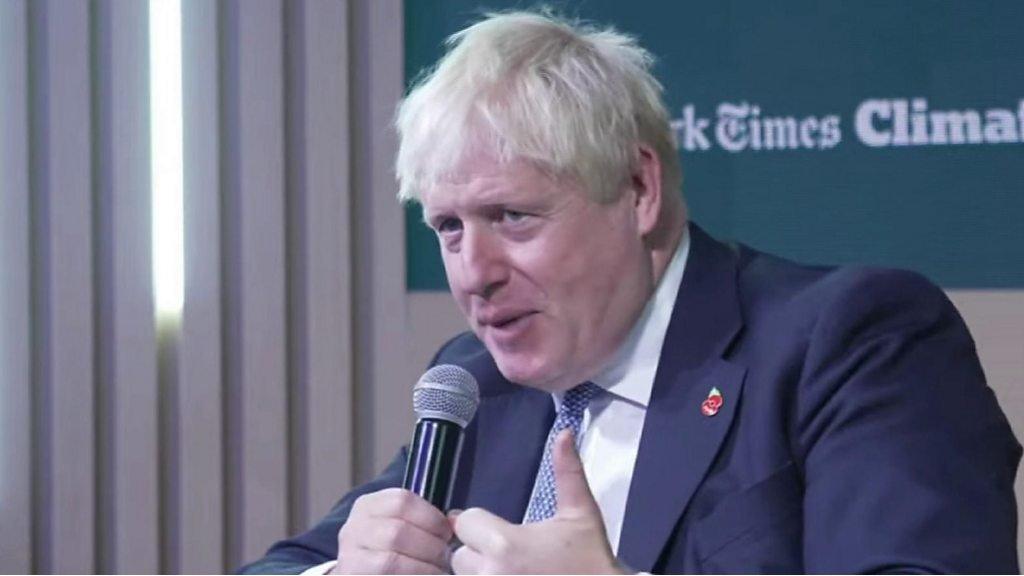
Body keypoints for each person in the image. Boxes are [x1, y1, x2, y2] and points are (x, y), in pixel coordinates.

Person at [241, 10, 1020, 574]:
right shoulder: (478, 386)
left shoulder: (851, 343)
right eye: (448, 228)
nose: (474, 273)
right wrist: (343, 572)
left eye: (512, 217)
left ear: (638, 188)